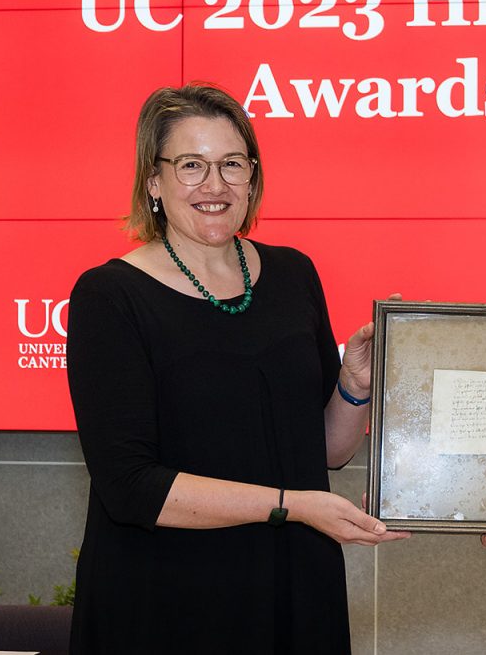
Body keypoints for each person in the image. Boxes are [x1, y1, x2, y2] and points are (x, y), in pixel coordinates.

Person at [66, 83, 407, 654]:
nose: (215, 186)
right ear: (154, 180)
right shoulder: (110, 295)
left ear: (253, 176)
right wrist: (294, 505)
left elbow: (326, 452)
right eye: (192, 166)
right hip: (167, 601)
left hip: (294, 588)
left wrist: (353, 386)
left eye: (232, 164)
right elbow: (130, 487)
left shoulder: (294, 274)